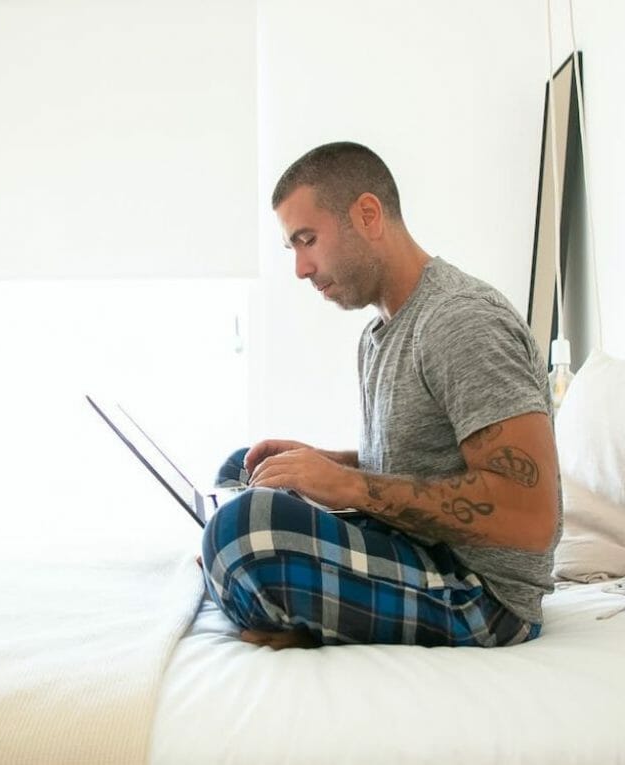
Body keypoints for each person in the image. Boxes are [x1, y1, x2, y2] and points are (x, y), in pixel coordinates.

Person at [200, 141, 561, 650]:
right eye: (293, 248)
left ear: (367, 215)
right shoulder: (378, 336)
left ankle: (241, 582)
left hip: (479, 595)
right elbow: (418, 463)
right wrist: (321, 464)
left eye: (308, 240)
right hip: (410, 546)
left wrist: (349, 486)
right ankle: (250, 585)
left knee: (243, 528)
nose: (301, 268)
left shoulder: (461, 321)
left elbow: (532, 517)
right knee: (242, 470)